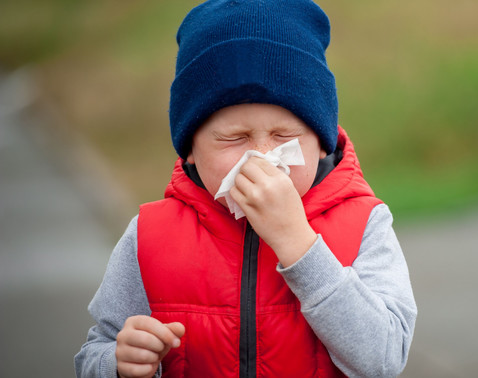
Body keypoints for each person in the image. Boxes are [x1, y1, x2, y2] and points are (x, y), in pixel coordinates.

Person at [75, 0, 417, 377]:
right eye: (235, 137)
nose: (262, 158)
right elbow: (95, 351)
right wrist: (118, 364)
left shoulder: (365, 223)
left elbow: (383, 360)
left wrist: (297, 241)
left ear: (321, 142)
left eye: (284, 135)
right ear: (190, 150)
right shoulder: (149, 238)